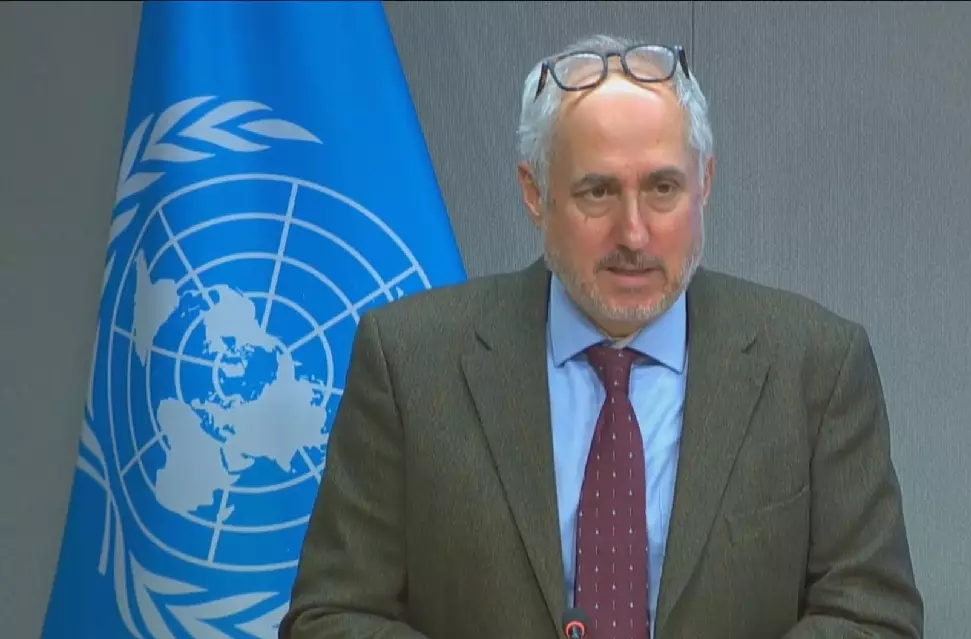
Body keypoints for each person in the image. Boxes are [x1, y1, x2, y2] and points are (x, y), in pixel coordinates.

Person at [280, 34, 924, 639]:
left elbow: (873, 616)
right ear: (535, 193)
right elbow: (330, 616)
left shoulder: (816, 365)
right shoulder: (411, 360)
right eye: (598, 191)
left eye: (663, 188)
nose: (634, 234)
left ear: (704, 183)